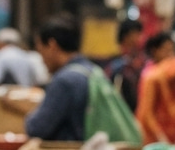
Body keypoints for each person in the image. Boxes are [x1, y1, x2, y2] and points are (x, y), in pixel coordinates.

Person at [19, 14, 98, 142]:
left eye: (40, 50)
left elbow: (37, 128)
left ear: (52, 45)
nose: (42, 60)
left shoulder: (65, 80)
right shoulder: (93, 71)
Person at [135, 31, 175, 145]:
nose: (170, 55)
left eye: (172, 50)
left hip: (170, 136)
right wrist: (161, 137)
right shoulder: (150, 76)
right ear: (155, 51)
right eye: (166, 50)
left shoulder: (167, 74)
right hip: (154, 139)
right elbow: (147, 114)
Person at [104, 19, 145, 112]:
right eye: (136, 34)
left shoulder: (140, 59)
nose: (140, 38)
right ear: (126, 36)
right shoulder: (114, 61)